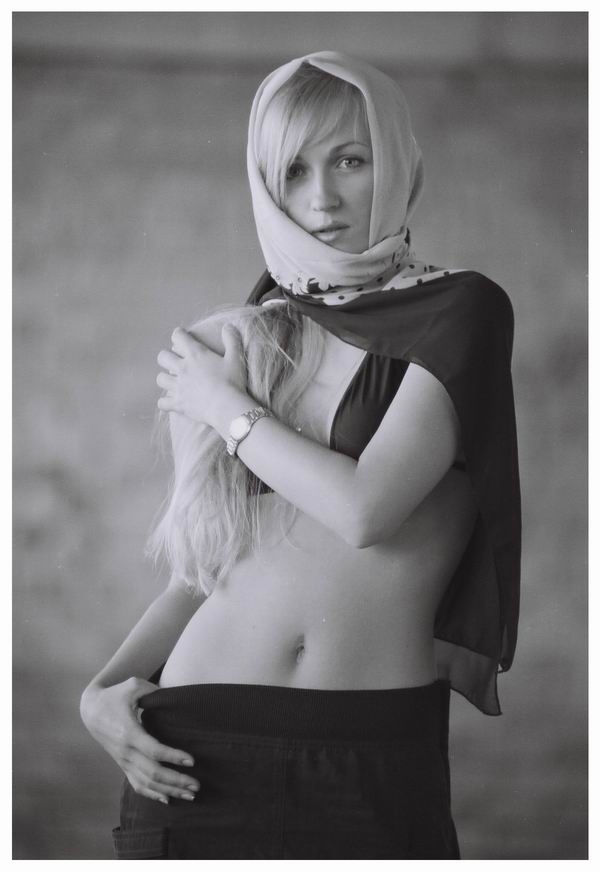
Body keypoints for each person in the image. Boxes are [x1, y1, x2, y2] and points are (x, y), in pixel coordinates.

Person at [80, 51, 521, 860]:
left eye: (350, 160)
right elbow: (209, 564)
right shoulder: (245, 333)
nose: (321, 198)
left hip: (370, 751)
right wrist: (101, 691)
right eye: (292, 171)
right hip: (195, 746)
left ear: (399, 162)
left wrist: (226, 408)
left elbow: (366, 511)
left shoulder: (463, 311)